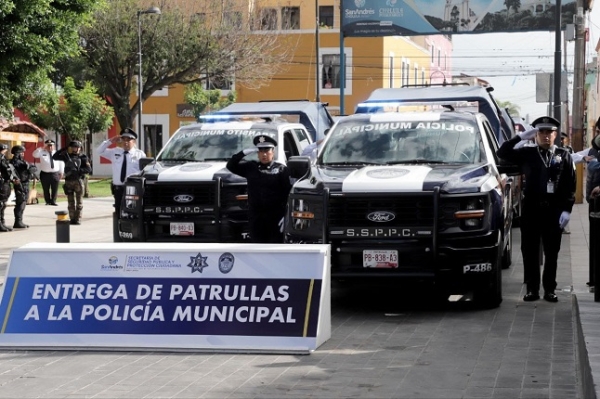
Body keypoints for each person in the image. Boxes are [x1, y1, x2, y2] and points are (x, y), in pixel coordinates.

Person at [497, 116, 576, 303]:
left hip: (553, 210)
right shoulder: (528, 153)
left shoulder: (564, 155)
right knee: (530, 251)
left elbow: (570, 185)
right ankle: (532, 289)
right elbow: (502, 152)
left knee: (552, 251)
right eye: (541, 132)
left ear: (555, 135)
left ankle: (550, 289)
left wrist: (567, 210)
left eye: (549, 132)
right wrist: (520, 137)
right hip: (531, 209)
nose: (545, 136)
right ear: (535, 134)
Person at [226, 135, 292, 243]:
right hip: (256, 217)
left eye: (267, 151)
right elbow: (231, 165)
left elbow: (288, 194)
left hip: (275, 217)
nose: (264, 154)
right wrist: (244, 152)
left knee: (275, 245)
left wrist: (286, 216)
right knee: (257, 245)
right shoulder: (251, 168)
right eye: (261, 151)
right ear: (258, 153)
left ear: (273, 151)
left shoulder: (282, 170)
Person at [96, 128, 146, 215]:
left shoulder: (140, 154)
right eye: (123, 139)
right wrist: (110, 141)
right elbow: (99, 151)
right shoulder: (115, 152)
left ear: (134, 142)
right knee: (119, 212)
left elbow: (144, 171)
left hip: (132, 188)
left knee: (132, 212)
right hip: (118, 188)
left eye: (128, 140)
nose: (125, 142)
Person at [53, 141, 92, 225]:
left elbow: (89, 169)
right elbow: (55, 157)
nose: (76, 149)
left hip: (79, 181)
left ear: (80, 148)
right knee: (70, 202)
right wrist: (64, 148)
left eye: (77, 147)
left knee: (79, 202)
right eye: (74, 147)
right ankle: (72, 218)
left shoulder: (83, 157)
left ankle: (78, 219)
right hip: (69, 181)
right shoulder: (66, 156)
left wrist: (78, 171)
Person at [9, 145, 37, 229]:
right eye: (21, 153)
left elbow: (32, 167)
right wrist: (28, 167)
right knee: (20, 202)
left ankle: (19, 220)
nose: (23, 154)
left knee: (23, 202)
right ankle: (18, 221)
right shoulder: (15, 162)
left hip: (25, 183)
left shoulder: (22, 161)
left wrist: (30, 168)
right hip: (20, 184)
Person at [33, 139, 63, 206]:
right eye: (48, 146)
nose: (50, 147)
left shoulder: (57, 153)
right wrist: (41, 148)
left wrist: (61, 172)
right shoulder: (42, 152)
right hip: (44, 173)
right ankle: (47, 201)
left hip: (55, 173)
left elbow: (61, 163)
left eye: (51, 146)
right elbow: (34, 154)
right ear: (46, 146)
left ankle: (53, 201)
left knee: (55, 188)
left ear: (54, 146)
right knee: (45, 189)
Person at [0, 144, 18, 232]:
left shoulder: (3, 158)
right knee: (1, 203)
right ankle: (0, 224)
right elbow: (5, 169)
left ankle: (2, 223)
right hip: (1, 183)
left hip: (5, 182)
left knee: (3, 204)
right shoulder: (1, 159)